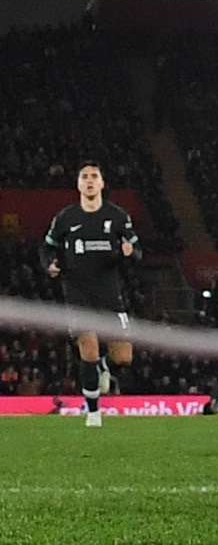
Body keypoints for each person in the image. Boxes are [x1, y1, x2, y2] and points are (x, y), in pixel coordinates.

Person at [43, 164, 137, 427]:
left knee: (123, 357)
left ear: (102, 183)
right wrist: (49, 264)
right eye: (84, 177)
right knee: (89, 350)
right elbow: (46, 248)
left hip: (109, 293)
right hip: (77, 292)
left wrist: (130, 252)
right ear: (78, 185)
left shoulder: (117, 216)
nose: (89, 181)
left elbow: (136, 249)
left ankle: (105, 368)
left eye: (94, 176)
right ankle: (93, 412)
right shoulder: (66, 217)